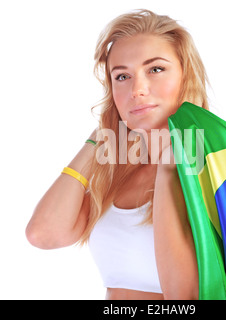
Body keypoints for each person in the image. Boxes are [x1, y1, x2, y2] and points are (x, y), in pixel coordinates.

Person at [26, 9, 210, 300]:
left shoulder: (211, 168)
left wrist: (169, 164)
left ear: (186, 75)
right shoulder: (120, 173)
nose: (137, 89)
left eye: (156, 69)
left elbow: (185, 296)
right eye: (122, 76)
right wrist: (99, 138)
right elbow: (44, 234)